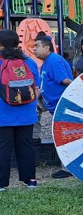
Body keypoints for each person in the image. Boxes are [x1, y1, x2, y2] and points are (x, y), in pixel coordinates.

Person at [0, 29, 39, 191]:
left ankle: (1, 184)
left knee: (3, 147)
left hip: (3, 114)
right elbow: (36, 88)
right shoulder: (29, 62)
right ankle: (30, 180)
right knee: (26, 146)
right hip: (27, 113)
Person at [34, 35, 74, 179]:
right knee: (32, 107)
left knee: (64, 135)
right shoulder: (46, 62)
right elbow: (45, 85)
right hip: (48, 102)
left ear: (47, 47)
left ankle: (68, 168)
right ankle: (34, 138)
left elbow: (65, 80)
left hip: (61, 105)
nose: (34, 50)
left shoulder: (55, 60)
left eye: (37, 46)